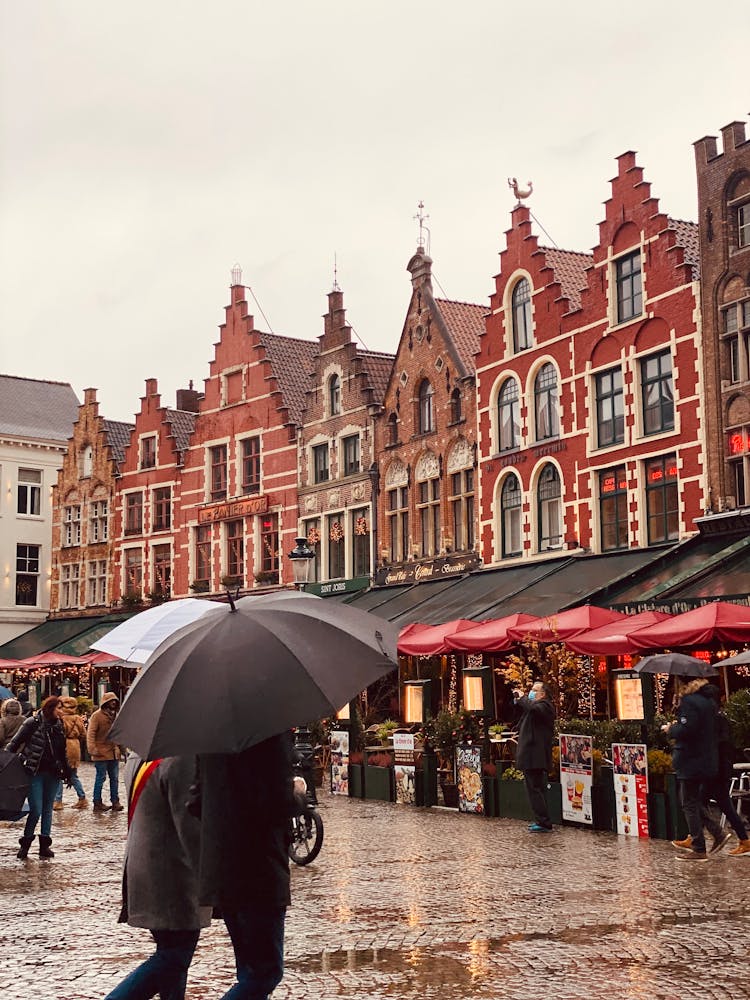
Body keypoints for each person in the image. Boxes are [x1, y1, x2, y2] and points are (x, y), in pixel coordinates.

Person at [194, 732, 295, 999]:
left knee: (248, 970)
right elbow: (275, 803)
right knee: (266, 972)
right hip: (258, 870)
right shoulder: (270, 734)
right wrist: (296, 795)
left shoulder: (210, 736)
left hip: (222, 868)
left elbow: (194, 801)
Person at [104, 754, 211, 1000]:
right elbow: (190, 828)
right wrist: (213, 878)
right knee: (175, 957)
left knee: (171, 953)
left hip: (143, 864)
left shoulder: (139, 754)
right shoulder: (181, 758)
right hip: (172, 873)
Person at [673, 684, 750, 857]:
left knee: (705, 802)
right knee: (703, 801)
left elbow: (719, 744)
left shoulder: (714, 719)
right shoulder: (713, 716)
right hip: (715, 767)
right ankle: (701, 837)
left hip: (717, 769)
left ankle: (737, 839)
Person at [7, 696, 70, 859]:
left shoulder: (59, 725)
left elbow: (62, 751)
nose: (61, 712)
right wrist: (5, 764)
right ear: (50, 708)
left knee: (48, 809)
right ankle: (26, 842)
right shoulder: (32, 723)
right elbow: (14, 743)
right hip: (34, 771)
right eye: (59, 708)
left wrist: (67, 771)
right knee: (36, 809)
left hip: (53, 773)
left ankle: (45, 845)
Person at [664, 677, 719, 862]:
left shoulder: (689, 702)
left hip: (691, 759)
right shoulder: (709, 701)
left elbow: (687, 730)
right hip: (706, 758)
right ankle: (717, 833)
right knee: (693, 800)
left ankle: (699, 847)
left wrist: (671, 729)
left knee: (688, 802)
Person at [514, 680, 556, 833]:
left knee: (535, 789)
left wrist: (523, 697)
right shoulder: (536, 708)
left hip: (535, 756)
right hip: (532, 756)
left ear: (542, 694)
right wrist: (519, 700)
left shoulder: (545, 706)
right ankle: (541, 820)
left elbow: (531, 708)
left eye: (534, 690)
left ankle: (544, 822)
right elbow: (526, 711)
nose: (531, 692)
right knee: (536, 788)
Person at [87, 691, 123, 812]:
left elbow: (119, 733)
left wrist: (122, 749)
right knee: (100, 778)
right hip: (101, 752)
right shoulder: (97, 716)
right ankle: (97, 802)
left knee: (115, 778)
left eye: (115, 701)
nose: (113, 703)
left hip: (113, 752)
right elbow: (91, 733)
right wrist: (92, 749)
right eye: (111, 701)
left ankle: (115, 801)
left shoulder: (116, 716)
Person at [53, 696, 88, 810]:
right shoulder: (78, 718)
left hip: (64, 746)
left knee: (59, 774)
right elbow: (83, 734)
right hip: (75, 746)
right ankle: (82, 798)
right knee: (73, 775)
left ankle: (58, 801)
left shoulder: (60, 718)